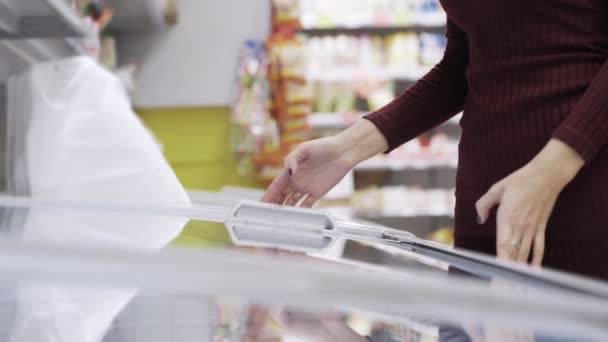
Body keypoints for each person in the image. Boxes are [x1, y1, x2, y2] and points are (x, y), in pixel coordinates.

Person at [262, 1, 608, 281]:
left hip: (580, 203)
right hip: (482, 210)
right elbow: (462, 64)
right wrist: (345, 149)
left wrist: (548, 174)